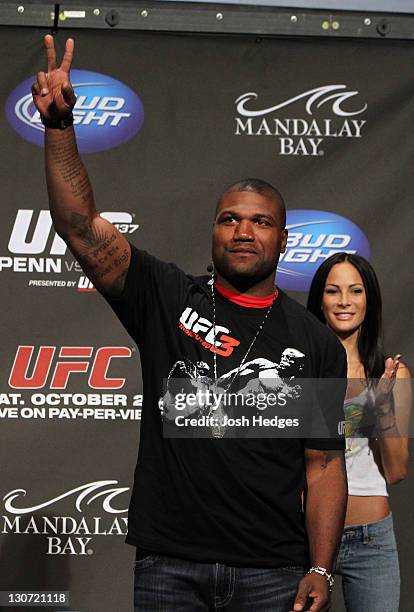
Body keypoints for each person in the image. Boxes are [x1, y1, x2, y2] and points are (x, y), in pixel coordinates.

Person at [32, 35, 349, 611]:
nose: (244, 231)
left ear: (283, 240)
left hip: (272, 568)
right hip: (169, 566)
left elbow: (323, 465)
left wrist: (321, 567)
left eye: (260, 222)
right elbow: (78, 226)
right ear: (214, 231)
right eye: (230, 219)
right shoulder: (164, 293)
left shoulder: (314, 342)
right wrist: (59, 128)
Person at [307, 253, 411, 612]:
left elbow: (396, 471)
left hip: (372, 540)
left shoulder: (392, 375)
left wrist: (381, 407)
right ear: (319, 301)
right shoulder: (297, 373)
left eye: (356, 290)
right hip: (306, 538)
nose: (345, 301)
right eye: (333, 291)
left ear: (370, 300)